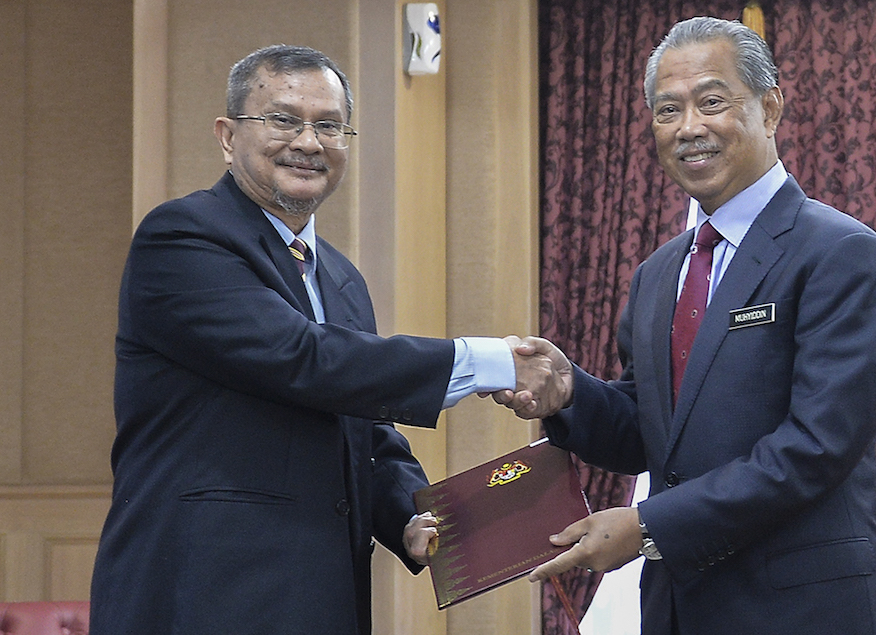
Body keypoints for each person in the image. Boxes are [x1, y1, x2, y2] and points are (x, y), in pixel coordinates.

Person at [89, 44, 560, 635]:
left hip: (321, 595)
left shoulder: (341, 278)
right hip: (201, 595)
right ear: (228, 135)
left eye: (330, 126)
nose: (309, 143)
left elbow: (364, 433)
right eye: (284, 120)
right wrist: (491, 361)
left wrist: (412, 515)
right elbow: (303, 361)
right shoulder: (183, 238)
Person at [496, 16, 876, 635]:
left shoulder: (842, 253)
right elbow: (650, 433)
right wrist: (569, 392)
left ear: (770, 108)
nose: (690, 128)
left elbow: (815, 448)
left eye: (712, 102)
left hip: (799, 608)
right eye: (668, 111)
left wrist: (648, 526)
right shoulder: (659, 275)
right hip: (678, 606)